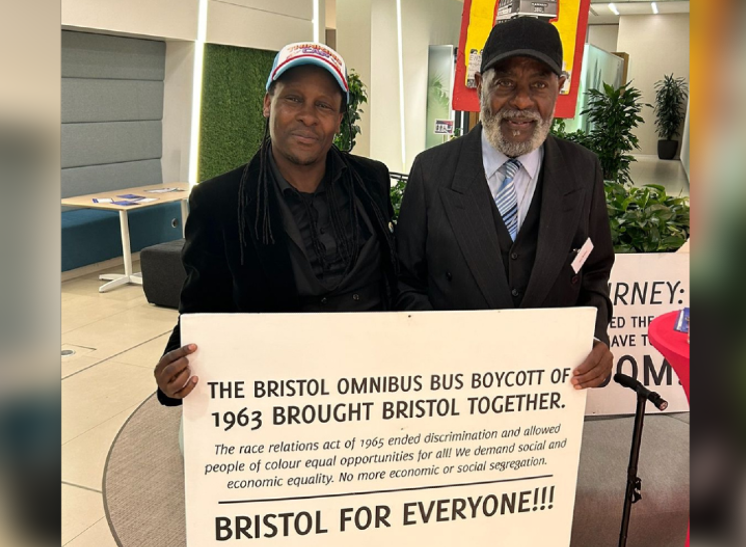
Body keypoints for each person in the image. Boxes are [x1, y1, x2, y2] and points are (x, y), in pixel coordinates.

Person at [154, 42, 397, 405]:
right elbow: (201, 309)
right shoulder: (220, 202)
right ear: (268, 104)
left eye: (324, 105)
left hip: (374, 382)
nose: (308, 117)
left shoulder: (371, 179)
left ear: (339, 119)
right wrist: (172, 372)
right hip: (279, 396)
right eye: (294, 99)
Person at [395, 17, 615, 389]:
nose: (522, 101)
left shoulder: (583, 171)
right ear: (480, 85)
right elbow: (404, 283)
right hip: (453, 388)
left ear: (559, 88)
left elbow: (594, 273)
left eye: (540, 84)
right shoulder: (431, 172)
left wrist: (595, 339)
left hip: (545, 395)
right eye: (506, 83)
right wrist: (438, 345)